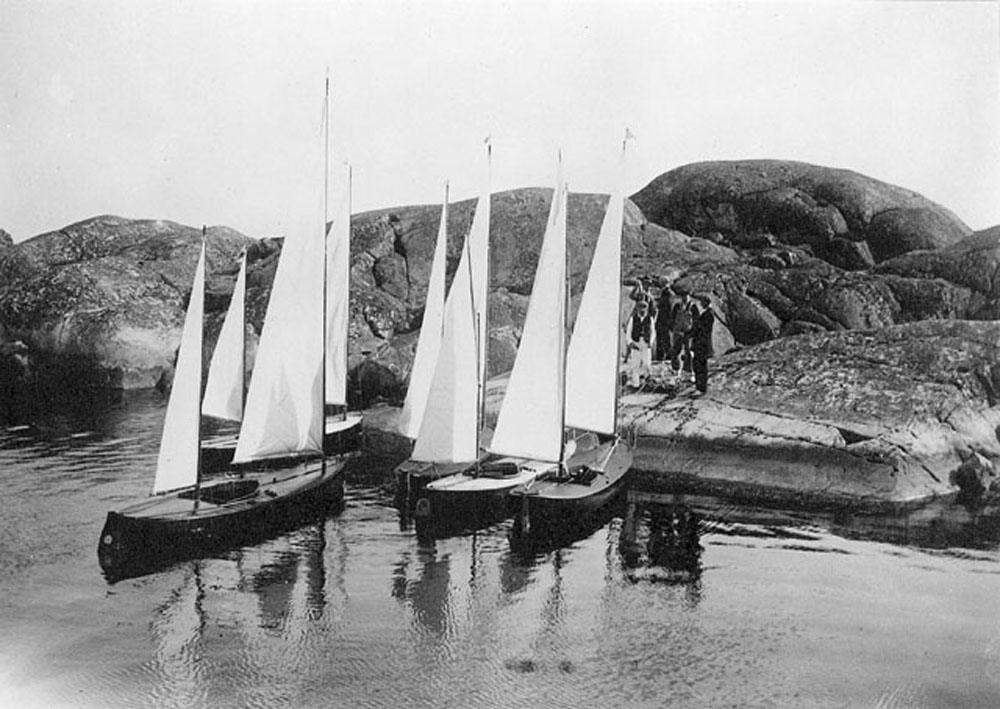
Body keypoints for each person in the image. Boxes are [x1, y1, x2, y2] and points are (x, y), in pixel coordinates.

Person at [625, 298, 655, 387]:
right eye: (640, 307)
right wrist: (630, 342)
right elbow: (628, 332)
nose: (642, 309)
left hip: (646, 343)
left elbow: (653, 332)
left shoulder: (650, 319)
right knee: (635, 364)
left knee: (647, 363)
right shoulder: (633, 319)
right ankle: (636, 384)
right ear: (637, 308)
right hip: (636, 342)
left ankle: (647, 383)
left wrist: (651, 342)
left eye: (644, 307)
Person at [668, 292, 695, 382]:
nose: (684, 298)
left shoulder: (693, 307)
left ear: (689, 296)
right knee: (675, 351)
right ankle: (676, 371)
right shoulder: (677, 306)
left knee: (689, 353)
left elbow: (696, 321)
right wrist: (673, 330)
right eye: (683, 296)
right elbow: (672, 318)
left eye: (686, 296)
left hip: (688, 334)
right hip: (677, 333)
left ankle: (688, 373)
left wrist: (691, 333)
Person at [690, 295, 715, 394]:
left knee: (700, 366)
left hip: (702, 344)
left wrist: (695, 324)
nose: (700, 304)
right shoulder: (707, 313)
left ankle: (701, 388)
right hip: (700, 343)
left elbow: (701, 329)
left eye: (702, 302)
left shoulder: (709, 314)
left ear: (706, 302)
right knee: (698, 365)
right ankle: (699, 386)